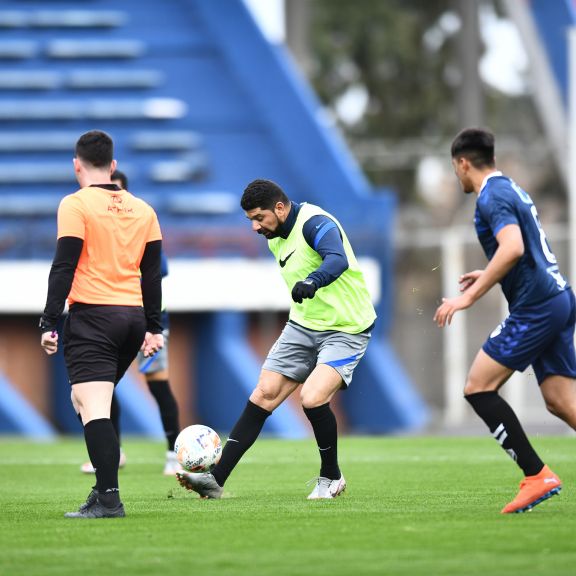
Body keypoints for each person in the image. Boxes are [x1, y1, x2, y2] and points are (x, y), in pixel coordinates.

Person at [176, 178, 376, 499]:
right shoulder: (274, 236)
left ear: (280, 208)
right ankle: (215, 480)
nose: (255, 227)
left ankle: (331, 477)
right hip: (304, 325)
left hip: (346, 328)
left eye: (259, 218)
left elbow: (335, 259)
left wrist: (314, 280)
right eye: (250, 220)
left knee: (311, 398)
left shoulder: (316, 223)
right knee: (264, 393)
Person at [434, 127, 576, 514]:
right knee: (562, 402)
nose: (457, 176)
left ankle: (537, 475)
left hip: (537, 306)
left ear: (463, 163)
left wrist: (467, 297)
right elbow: (522, 247)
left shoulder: (490, 196)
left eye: (455, 169)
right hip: (558, 297)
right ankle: (537, 475)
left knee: (477, 387)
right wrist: (488, 273)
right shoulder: (510, 187)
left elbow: (512, 247)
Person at [40, 130, 164, 518]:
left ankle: (109, 499)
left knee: (93, 405)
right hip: (131, 317)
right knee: (86, 400)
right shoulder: (144, 209)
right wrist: (154, 327)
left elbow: (64, 265)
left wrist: (48, 320)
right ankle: (101, 490)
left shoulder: (75, 204)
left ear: (77, 165)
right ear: (113, 165)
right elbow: (152, 276)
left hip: (94, 315)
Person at [80, 169, 182, 476]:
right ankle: (116, 452)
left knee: (159, 386)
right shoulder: (96, 229)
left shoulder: (140, 223)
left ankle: (173, 452)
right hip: (110, 316)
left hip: (147, 320)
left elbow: (157, 270)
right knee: (104, 388)